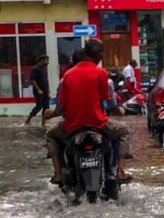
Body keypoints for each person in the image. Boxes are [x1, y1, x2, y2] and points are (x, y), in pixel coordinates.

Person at [46, 38, 131, 184]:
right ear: (98, 54)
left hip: (71, 126)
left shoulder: (67, 75)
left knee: (50, 135)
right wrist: (119, 111)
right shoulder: (101, 73)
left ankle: (58, 174)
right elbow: (110, 103)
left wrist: (50, 114)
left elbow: (60, 108)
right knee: (124, 131)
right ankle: (120, 171)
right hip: (98, 124)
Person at [25, 55, 51, 127]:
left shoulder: (44, 68)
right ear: (41, 60)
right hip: (38, 91)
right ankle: (28, 120)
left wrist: (48, 90)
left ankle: (43, 124)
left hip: (45, 91)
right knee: (39, 106)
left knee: (46, 107)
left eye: (48, 60)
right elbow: (32, 80)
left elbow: (46, 80)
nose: (47, 62)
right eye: (46, 60)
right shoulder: (35, 69)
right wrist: (38, 89)